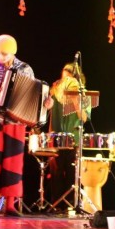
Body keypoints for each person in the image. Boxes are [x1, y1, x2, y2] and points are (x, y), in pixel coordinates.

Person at [0, 34, 53, 217]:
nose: (0, 57)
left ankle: (9, 205)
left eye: (4, 54)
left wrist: (47, 103)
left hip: (15, 121)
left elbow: (34, 95)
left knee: (13, 163)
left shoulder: (25, 69)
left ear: (13, 52)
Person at [47, 61, 90, 210]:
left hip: (74, 140)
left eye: (68, 79)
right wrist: (50, 95)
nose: (64, 82)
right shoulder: (56, 92)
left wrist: (75, 98)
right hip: (56, 140)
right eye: (63, 78)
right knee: (56, 175)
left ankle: (71, 205)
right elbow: (47, 112)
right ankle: (56, 206)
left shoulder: (83, 94)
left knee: (73, 174)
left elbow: (84, 117)